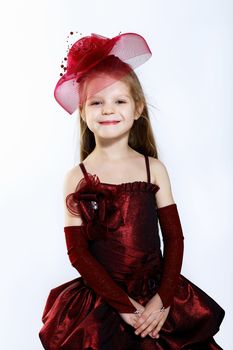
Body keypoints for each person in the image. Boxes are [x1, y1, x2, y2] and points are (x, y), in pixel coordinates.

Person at [39, 32, 225, 349]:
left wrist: (162, 301)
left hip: (158, 298)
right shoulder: (77, 177)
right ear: (83, 111)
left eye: (119, 101)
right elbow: (78, 253)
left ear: (137, 108)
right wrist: (124, 307)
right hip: (104, 303)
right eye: (96, 102)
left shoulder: (154, 169)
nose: (108, 109)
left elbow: (174, 238)